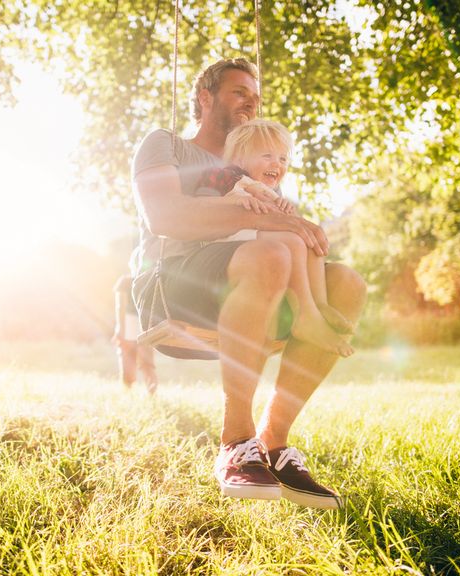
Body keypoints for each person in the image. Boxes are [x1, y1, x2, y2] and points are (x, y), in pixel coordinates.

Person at [130, 58, 366, 509]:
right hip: (177, 282)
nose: (250, 101)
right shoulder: (167, 145)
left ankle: (273, 444)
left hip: (254, 276)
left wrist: (295, 227)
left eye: (254, 95)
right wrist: (274, 222)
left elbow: (283, 230)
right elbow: (165, 216)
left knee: (348, 284)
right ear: (205, 98)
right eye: (240, 92)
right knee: (272, 252)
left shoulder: (254, 163)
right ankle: (236, 441)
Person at [193, 119, 355, 357]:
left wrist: (283, 210)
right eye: (267, 155)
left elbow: (276, 224)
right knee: (292, 240)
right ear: (238, 159)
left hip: (256, 239)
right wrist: (232, 200)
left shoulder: (268, 191)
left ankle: (319, 305)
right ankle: (305, 317)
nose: (276, 164)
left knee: (306, 238)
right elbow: (200, 205)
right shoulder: (223, 176)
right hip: (228, 242)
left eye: (282, 159)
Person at [113, 274, 158, 394]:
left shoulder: (125, 281)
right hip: (145, 322)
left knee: (127, 359)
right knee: (147, 364)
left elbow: (120, 307)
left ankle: (128, 393)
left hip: (129, 322)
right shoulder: (151, 279)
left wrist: (120, 329)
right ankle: (152, 394)